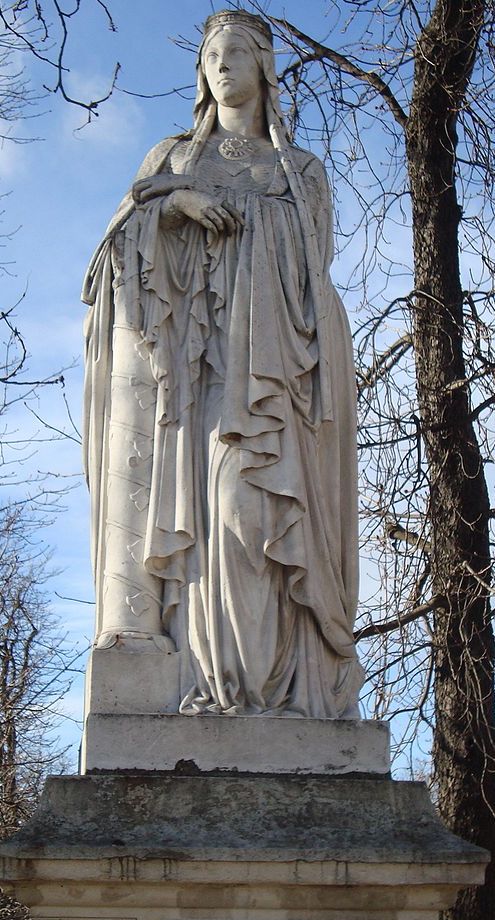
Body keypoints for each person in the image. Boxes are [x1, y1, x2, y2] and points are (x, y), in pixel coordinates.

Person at [82, 9, 364, 718]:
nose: (222, 64)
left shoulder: (299, 172)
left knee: (261, 510)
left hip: (277, 375)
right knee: (213, 516)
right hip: (197, 375)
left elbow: (313, 270)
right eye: (211, 55)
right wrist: (172, 204)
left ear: (265, 65)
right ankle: (215, 682)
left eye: (237, 51)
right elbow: (113, 263)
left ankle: (274, 693)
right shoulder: (173, 158)